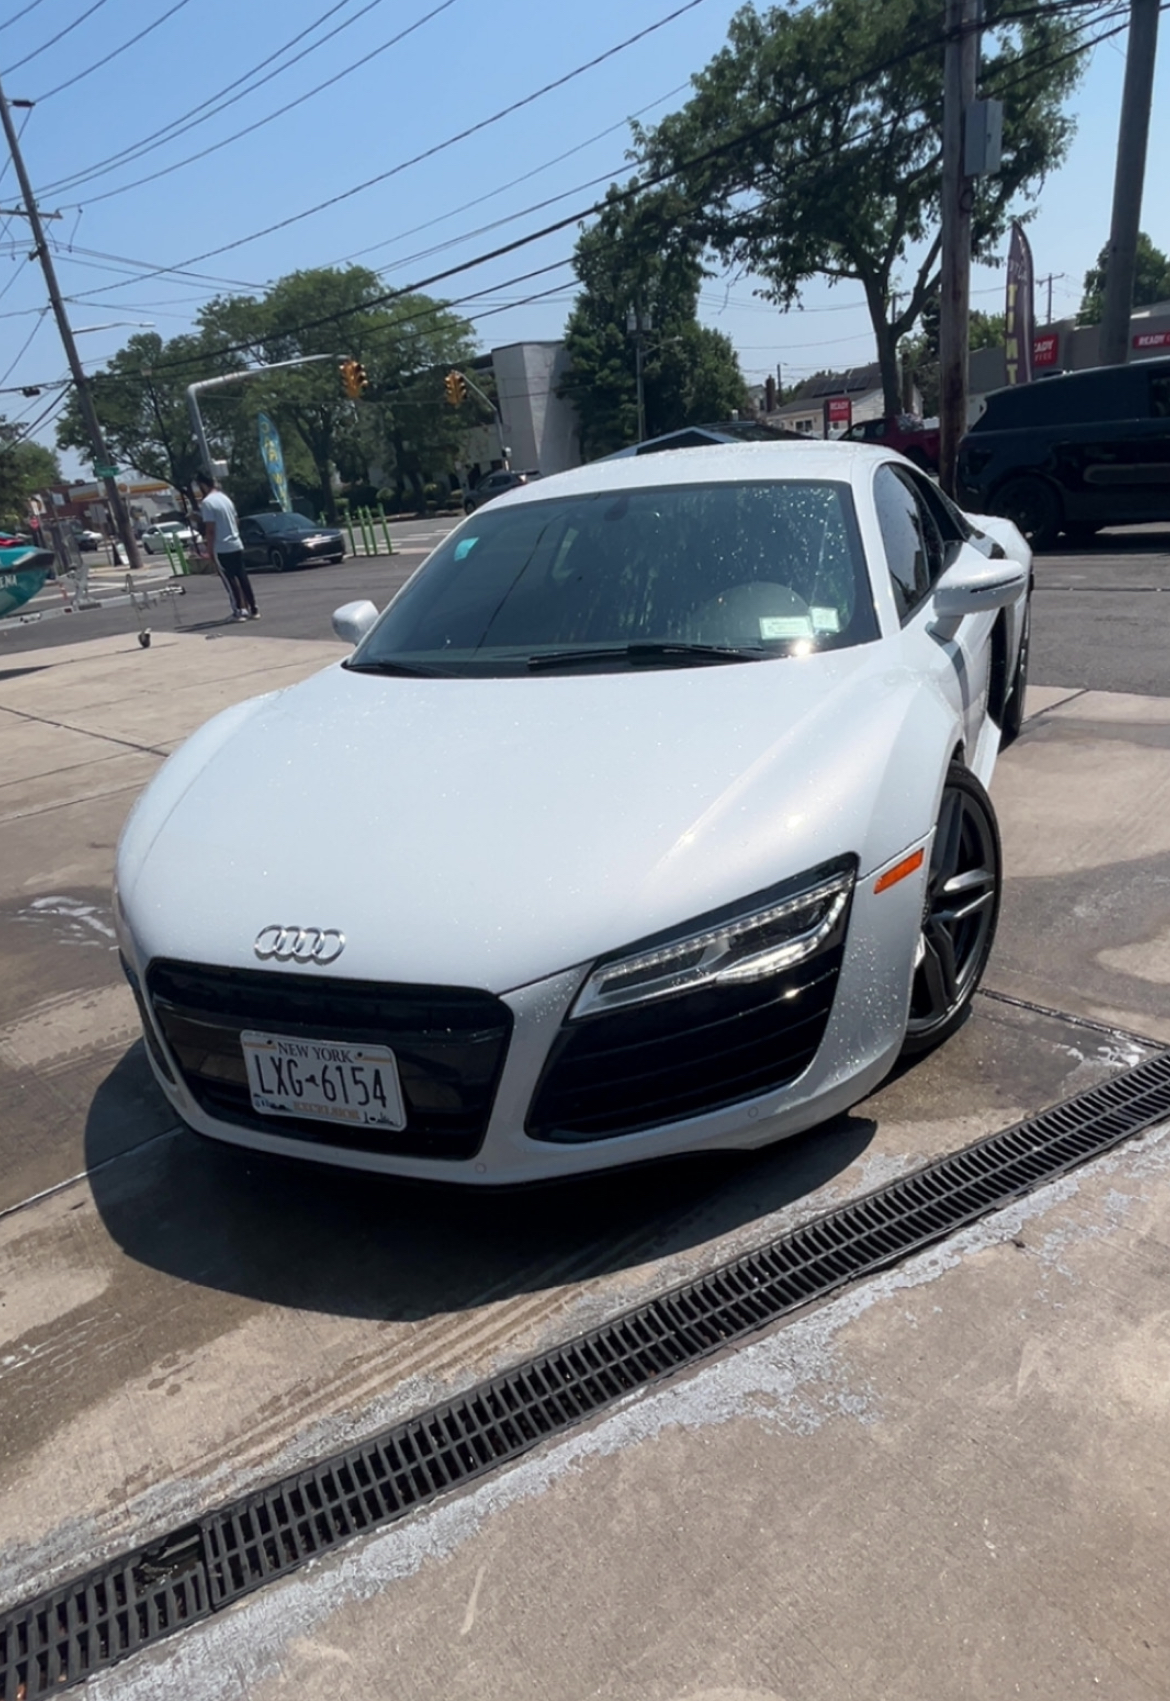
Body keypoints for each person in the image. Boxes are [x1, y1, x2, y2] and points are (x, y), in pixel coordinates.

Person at [195, 472, 258, 621]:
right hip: (236, 543)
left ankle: (239, 610)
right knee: (242, 577)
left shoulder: (207, 503)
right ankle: (253, 608)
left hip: (221, 546)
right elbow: (236, 520)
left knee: (230, 579)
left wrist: (209, 550)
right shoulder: (225, 499)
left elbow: (210, 529)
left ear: (203, 485)